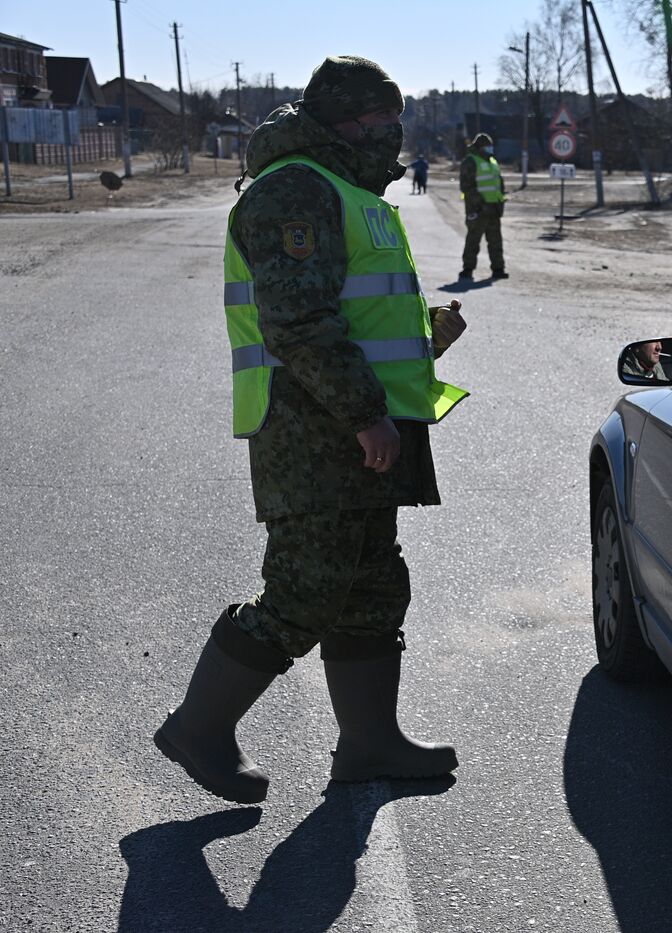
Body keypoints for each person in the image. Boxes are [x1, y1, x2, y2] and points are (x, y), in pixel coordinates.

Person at [153, 55, 470, 806]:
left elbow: (353, 312)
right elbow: (297, 320)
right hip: (314, 427)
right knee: (304, 587)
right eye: (378, 121)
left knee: (370, 584)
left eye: (396, 120)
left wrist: (427, 336)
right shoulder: (296, 187)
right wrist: (363, 414)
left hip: (355, 423)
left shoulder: (349, 189)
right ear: (342, 122)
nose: (391, 134)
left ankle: (370, 742)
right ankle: (198, 728)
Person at [459, 133, 507, 281]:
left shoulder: (492, 161)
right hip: (478, 209)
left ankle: (498, 269)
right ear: (480, 147)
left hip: (494, 209)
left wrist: (500, 201)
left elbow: (498, 184)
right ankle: (468, 269)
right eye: (487, 146)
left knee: (495, 241)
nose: (490, 149)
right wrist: (480, 204)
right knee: (473, 240)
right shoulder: (470, 161)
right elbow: (467, 186)